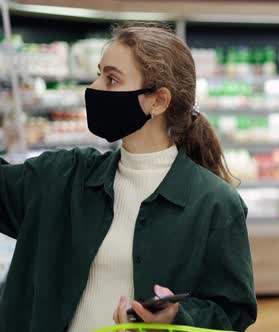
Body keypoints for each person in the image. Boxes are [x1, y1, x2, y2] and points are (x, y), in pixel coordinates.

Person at [0, 23, 256, 332]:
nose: (94, 87)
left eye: (111, 79)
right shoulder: (62, 176)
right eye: (99, 74)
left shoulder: (214, 203)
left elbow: (232, 313)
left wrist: (176, 316)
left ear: (158, 101)